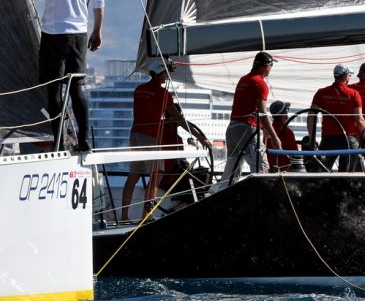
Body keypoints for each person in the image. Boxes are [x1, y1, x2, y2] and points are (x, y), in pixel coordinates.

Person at [8, 0, 103, 152]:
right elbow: (99, 3)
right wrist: (97, 32)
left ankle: (59, 142)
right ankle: (83, 141)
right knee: (77, 87)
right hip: (79, 35)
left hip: (54, 35)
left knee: (54, 89)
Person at [121, 59, 210, 220]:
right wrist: (201, 138)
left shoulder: (139, 90)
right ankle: (146, 216)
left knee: (133, 176)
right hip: (150, 136)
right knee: (156, 174)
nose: (168, 75)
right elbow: (179, 119)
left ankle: (124, 216)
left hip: (135, 134)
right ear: (160, 72)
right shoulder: (163, 94)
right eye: (166, 72)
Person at [221, 51, 282, 181]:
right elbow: (262, 112)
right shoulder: (260, 83)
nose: (271, 69)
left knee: (231, 174)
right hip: (247, 129)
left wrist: (264, 128)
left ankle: (220, 191)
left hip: (232, 129)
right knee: (261, 170)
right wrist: (275, 137)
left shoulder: (243, 79)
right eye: (271, 65)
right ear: (266, 66)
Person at [308, 64, 365, 172]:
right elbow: (359, 119)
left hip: (328, 139)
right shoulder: (354, 94)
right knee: (353, 173)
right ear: (345, 76)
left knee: (321, 172)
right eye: (349, 75)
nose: (350, 78)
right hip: (348, 140)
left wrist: (312, 138)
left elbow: (311, 116)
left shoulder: (321, 93)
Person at [266, 100, 304, 172]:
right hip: (287, 170)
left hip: (273, 169)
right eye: (287, 110)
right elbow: (295, 155)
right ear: (285, 114)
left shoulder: (269, 130)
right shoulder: (287, 132)